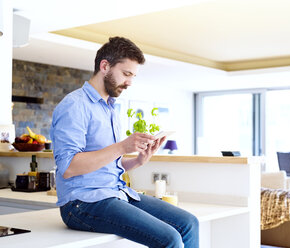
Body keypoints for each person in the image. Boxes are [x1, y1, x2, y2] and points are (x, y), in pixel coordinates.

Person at [50, 37, 199, 248]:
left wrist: (137, 160)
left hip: (116, 193)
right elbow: (69, 167)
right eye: (126, 74)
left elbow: (106, 164)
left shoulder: (109, 108)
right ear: (104, 66)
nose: (129, 82)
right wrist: (121, 147)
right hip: (81, 204)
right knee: (170, 239)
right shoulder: (75, 105)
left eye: (133, 76)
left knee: (189, 224)